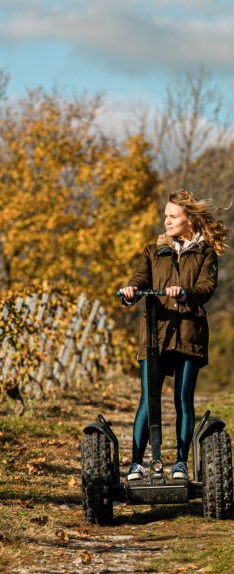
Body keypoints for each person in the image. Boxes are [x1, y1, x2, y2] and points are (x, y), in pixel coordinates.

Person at [119, 190, 230, 481]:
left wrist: (185, 293)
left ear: (188, 219)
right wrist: (131, 291)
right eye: (165, 216)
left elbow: (206, 288)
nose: (166, 221)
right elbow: (140, 279)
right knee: (148, 399)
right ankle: (137, 464)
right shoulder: (153, 251)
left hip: (189, 333)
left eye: (173, 216)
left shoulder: (205, 252)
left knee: (183, 399)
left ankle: (180, 463)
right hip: (156, 332)